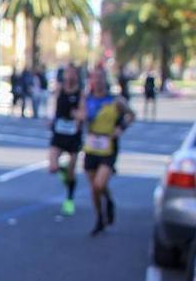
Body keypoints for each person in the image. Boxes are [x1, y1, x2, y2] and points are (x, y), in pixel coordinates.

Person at [78, 67, 135, 236]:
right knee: (94, 188)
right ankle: (99, 218)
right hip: (91, 146)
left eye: (100, 78)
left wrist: (121, 128)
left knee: (99, 184)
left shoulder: (115, 100)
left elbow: (131, 115)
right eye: (94, 78)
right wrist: (80, 117)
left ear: (105, 80)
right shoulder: (86, 99)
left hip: (108, 146)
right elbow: (80, 117)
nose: (97, 81)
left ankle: (108, 202)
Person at [47, 64, 84, 216]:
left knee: (71, 172)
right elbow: (52, 106)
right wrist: (50, 119)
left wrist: (78, 116)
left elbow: (83, 113)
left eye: (73, 74)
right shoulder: (59, 89)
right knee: (53, 167)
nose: (70, 77)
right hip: (59, 132)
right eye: (68, 73)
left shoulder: (81, 93)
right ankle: (61, 170)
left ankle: (69, 199)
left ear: (76, 76)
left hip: (74, 135)